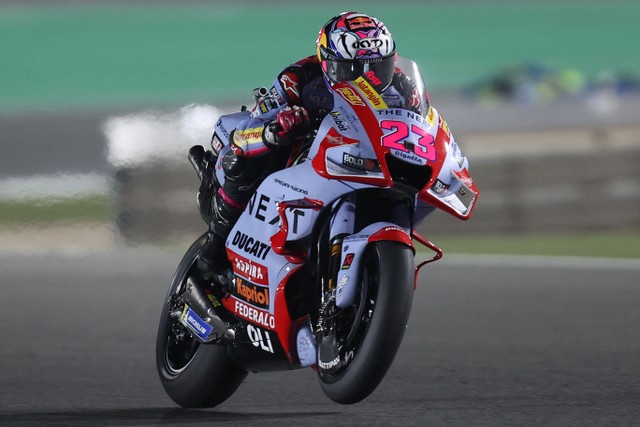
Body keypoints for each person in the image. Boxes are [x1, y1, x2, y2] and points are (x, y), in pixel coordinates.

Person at [197, 12, 429, 287]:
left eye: (378, 68)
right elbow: (249, 128)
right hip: (305, 157)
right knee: (242, 157)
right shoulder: (298, 77)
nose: (367, 79)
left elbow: (422, 126)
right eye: (354, 70)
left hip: (367, 162)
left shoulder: (404, 87)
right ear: (327, 62)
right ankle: (215, 247)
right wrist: (276, 129)